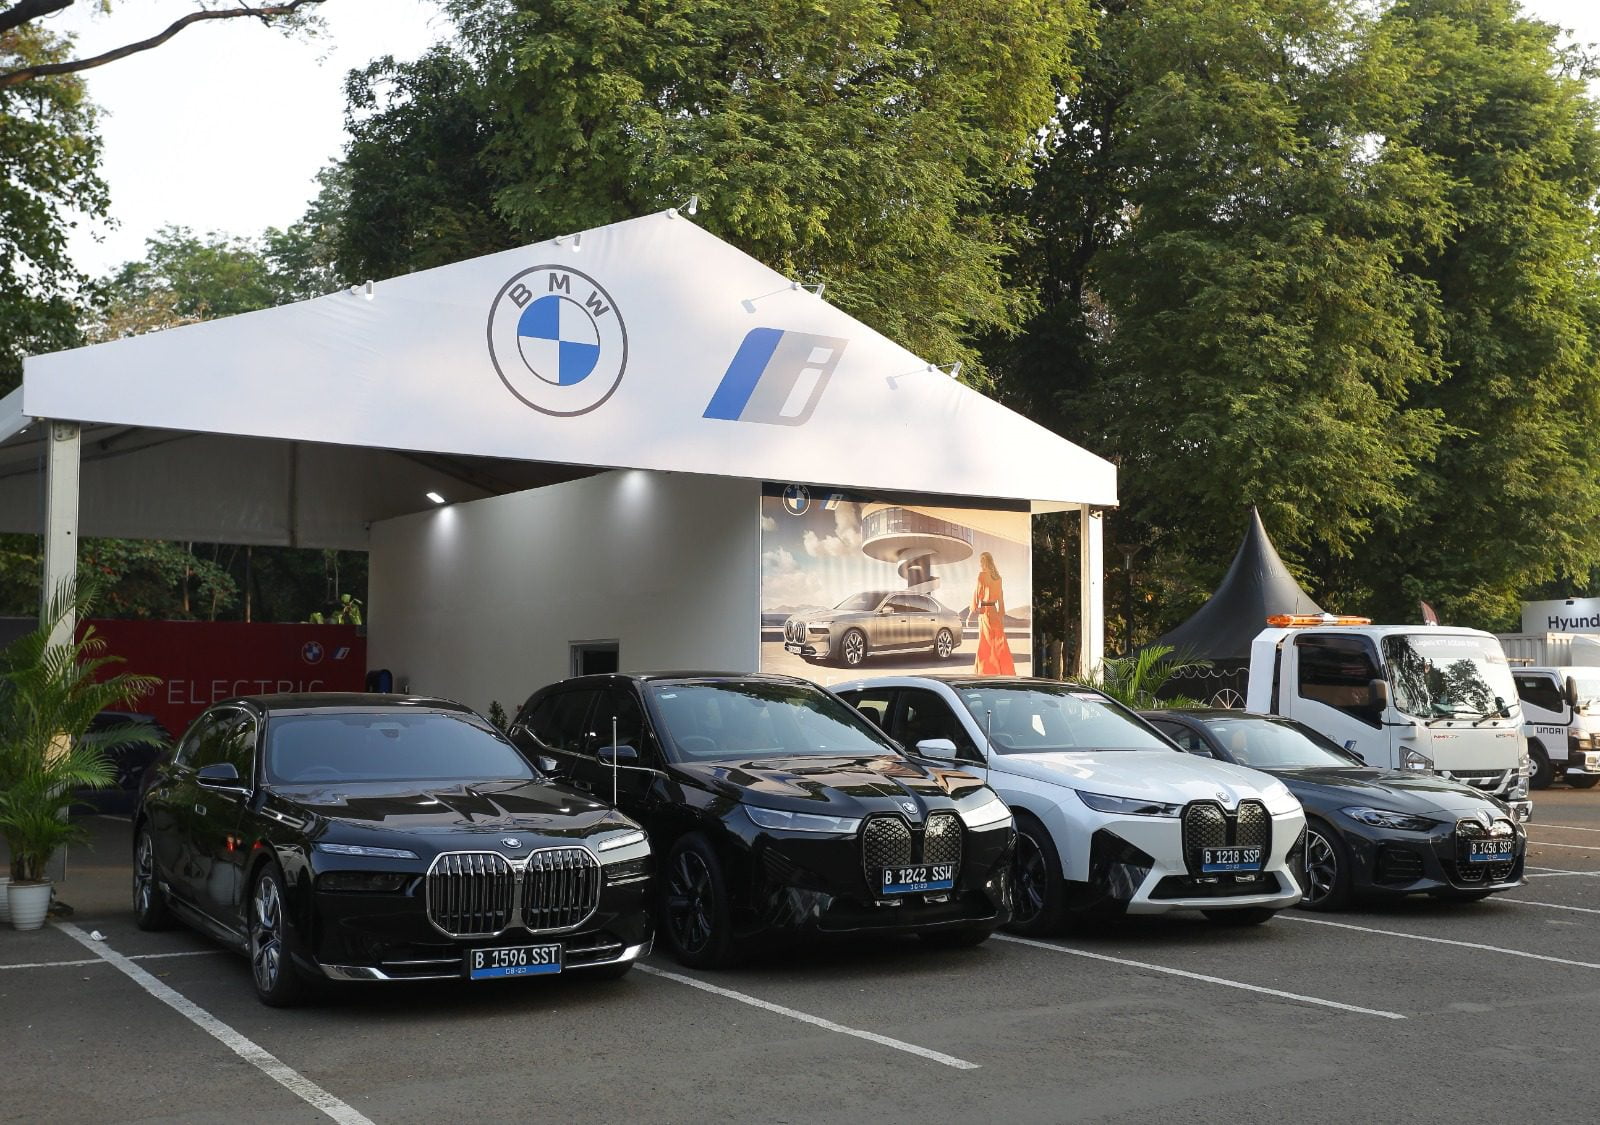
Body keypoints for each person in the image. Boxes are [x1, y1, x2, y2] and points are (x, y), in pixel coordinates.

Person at [969, 552, 1016, 676]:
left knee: (985, 643)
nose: (980, 564)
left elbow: (977, 594)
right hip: (994, 612)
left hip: (985, 613)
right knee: (999, 643)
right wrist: (1001, 616)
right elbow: (1001, 598)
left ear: (985, 562)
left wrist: (972, 610)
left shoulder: (981, 576)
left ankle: (984, 671)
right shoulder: (998, 578)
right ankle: (1005, 671)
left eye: (981, 561)